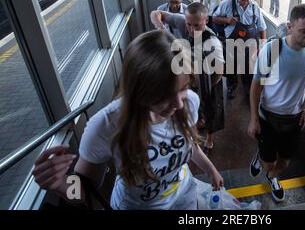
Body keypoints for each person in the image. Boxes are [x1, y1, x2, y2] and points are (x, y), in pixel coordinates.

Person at [32, 31, 224, 209]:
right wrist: (59, 185)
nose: (179, 104)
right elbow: (84, 191)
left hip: (184, 198)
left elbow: (187, 144)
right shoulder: (106, 125)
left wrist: (210, 169)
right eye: (165, 94)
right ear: (140, 91)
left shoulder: (189, 101)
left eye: (183, 87)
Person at [247, 4, 305, 202]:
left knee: (284, 161)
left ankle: (272, 176)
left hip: (295, 118)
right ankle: (265, 163)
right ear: (290, 27)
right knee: (268, 161)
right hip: (268, 116)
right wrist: (254, 119)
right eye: (303, 31)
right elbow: (256, 86)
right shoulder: (272, 50)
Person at [150, 3, 225, 155]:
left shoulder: (213, 44)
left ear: (206, 21)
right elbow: (156, 13)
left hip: (209, 78)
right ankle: (195, 129)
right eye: (188, 24)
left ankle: (209, 139)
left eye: (196, 25)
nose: (191, 29)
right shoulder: (183, 22)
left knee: (212, 110)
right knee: (189, 108)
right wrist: (160, 28)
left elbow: (219, 71)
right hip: (189, 75)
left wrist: (204, 89)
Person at [212, 0, 267, 99]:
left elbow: (262, 27)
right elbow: (214, 18)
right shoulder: (227, 4)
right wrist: (227, 20)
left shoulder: (254, 7)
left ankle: (249, 91)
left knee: (249, 69)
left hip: (250, 43)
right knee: (231, 67)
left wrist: (263, 44)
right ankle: (231, 87)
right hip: (232, 41)